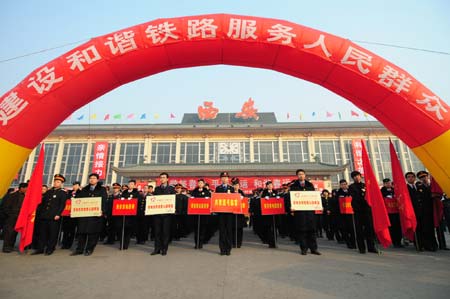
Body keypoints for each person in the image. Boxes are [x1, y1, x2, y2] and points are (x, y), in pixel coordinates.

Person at [71, 173, 107, 256]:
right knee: (81, 232)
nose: (92, 179)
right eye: (90, 178)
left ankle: (89, 249)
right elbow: (78, 200)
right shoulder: (84, 189)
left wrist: (102, 211)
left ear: (97, 180)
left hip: (95, 215)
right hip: (84, 214)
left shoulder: (102, 189)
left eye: (94, 178)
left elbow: (104, 201)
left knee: (92, 233)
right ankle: (79, 249)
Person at [32, 174, 67, 255]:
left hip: (54, 216)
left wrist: (58, 214)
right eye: (55, 181)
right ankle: (40, 248)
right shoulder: (49, 192)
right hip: (44, 215)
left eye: (58, 182)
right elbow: (43, 203)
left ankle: (50, 248)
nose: (56, 183)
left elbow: (62, 205)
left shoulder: (62, 193)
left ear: (61, 183)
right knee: (42, 233)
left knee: (52, 233)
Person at [289, 169, 321, 255]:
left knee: (312, 230)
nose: (301, 176)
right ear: (297, 176)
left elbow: (314, 197)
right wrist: (291, 207)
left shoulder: (310, 185)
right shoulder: (293, 186)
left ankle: (314, 249)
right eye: (299, 174)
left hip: (310, 211)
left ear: (305, 175)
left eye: (302, 174)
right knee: (302, 231)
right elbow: (290, 199)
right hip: (300, 212)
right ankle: (304, 249)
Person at [349, 171, 377, 254]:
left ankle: (371, 247)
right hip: (358, 211)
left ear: (360, 176)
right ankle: (361, 248)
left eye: (357, 176)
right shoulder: (351, 187)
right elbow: (356, 197)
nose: (356, 177)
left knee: (369, 229)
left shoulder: (366, 185)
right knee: (359, 230)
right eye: (354, 176)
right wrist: (363, 193)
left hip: (367, 210)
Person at [151, 172, 176, 256]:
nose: (162, 179)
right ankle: (157, 249)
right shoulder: (157, 189)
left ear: (167, 179)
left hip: (167, 214)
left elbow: (173, 200)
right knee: (157, 232)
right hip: (157, 214)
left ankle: (164, 249)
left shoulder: (171, 189)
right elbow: (153, 200)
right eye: (161, 177)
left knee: (165, 232)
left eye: (164, 177)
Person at [0, 183, 27, 253]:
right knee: (9, 232)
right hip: (11, 217)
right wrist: (10, 215)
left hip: (19, 218)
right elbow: (5, 207)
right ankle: (6, 247)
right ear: (22, 188)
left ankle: (11, 246)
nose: (27, 190)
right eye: (26, 188)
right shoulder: (12, 196)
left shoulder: (25, 197)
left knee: (15, 232)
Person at [117, 179, 140, 250]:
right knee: (122, 229)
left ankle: (126, 244)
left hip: (131, 214)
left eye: (132, 184)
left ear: (134, 185)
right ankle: (121, 244)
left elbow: (137, 202)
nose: (130, 185)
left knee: (128, 230)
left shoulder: (136, 192)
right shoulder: (124, 192)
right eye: (129, 184)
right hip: (123, 214)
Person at [215, 172, 234, 256]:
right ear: (221, 179)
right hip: (221, 213)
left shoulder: (232, 188)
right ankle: (222, 249)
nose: (224, 179)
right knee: (222, 231)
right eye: (223, 177)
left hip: (229, 213)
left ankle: (228, 249)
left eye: (226, 177)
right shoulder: (218, 188)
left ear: (228, 179)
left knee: (229, 231)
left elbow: (234, 199)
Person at [380, 178, 403, 248]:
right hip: (389, 212)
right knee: (392, 227)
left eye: (389, 182)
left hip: (396, 211)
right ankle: (394, 241)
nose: (388, 184)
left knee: (398, 226)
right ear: (384, 184)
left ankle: (399, 241)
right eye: (386, 183)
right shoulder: (382, 191)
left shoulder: (394, 190)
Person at [190, 179, 211, 249]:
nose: (200, 184)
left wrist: (207, 199)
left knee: (202, 229)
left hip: (203, 214)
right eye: (199, 183)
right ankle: (196, 243)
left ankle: (201, 243)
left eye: (201, 183)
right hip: (195, 213)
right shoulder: (194, 191)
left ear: (204, 184)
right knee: (196, 229)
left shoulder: (207, 191)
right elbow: (191, 200)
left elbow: (210, 200)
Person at [334, 179, 355, 249]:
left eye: (345, 184)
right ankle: (348, 243)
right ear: (340, 185)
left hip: (351, 213)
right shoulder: (338, 193)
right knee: (344, 229)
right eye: (342, 184)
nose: (344, 186)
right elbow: (335, 203)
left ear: (347, 184)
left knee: (352, 229)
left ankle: (353, 242)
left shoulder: (351, 192)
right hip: (342, 214)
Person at [61, 181, 80, 249]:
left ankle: (69, 243)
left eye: (76, 185)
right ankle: (64, 243)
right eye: (74, 185)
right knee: (65, 229)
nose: (74, 186)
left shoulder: (81, 193)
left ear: (79, 186)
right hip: (67, 213)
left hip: (75, 214)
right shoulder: (69, 193)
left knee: (72, 230)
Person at [260, 181, 277, 248]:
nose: (270, 186)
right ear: (266, 186)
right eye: (269, 185)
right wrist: (264, 198)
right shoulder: (264, 192)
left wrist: (277, 197)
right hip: (267, 214)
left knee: (274, 228)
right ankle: (270, 243)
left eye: (271, 185)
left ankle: (275, 242)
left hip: (274, 213)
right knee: (269, 229)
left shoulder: (275, 192)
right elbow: (261, 200)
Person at [231, 177, 246, 248]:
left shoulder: (241, 192)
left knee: (240, 229)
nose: (236, 186)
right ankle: (233, 243)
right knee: (232, 228)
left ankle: (239, 243)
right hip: (232, 214)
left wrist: (242, 198)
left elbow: (245, 203)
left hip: (240, 214)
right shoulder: (230, 192)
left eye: (237, 185)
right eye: (234, 185)